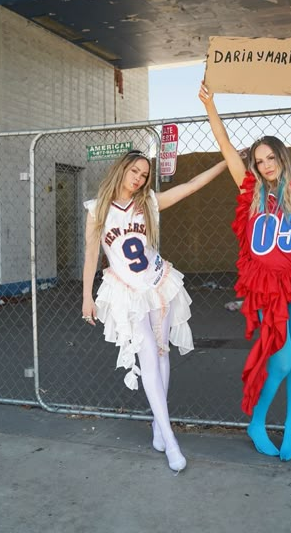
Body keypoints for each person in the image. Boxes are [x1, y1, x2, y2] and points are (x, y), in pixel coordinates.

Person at [198, 75, 291, 461]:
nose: (266, 165)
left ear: (280, 158)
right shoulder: (247, 190)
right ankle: (257, 421)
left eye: (271, 157)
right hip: (263, 285)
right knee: (283, 357)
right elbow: (225, 146)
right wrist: (209, 105)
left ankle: (290, 427)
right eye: (259, 161)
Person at [82, 149, 227, 472]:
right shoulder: (98, 210)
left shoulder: (148, 204)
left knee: (162, 354)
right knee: (147, 352)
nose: (138, 178)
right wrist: (86, 297)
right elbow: (92, 257)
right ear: (121, 170)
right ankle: (170, 437)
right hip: (126, 292)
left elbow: (190, 186)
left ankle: (158, 428)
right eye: (134, 171)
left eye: (144, 175)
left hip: (157, 284)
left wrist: (225, 162)